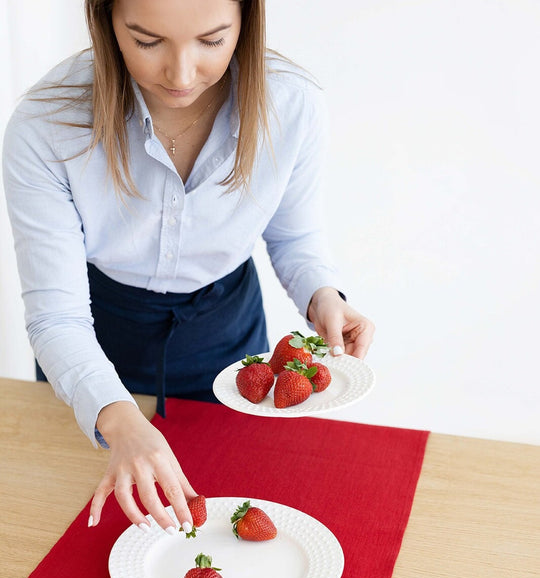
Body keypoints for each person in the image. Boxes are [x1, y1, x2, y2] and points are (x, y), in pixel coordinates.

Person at [3, 0, 374, 536]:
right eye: (147, 41)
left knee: (223, 518)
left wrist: (324, 297)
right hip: (92, 338)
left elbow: (293, 235)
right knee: (81, 529)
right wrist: (118, 416)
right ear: (104, 19)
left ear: (247, 20)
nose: (180, 73)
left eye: (212, 40)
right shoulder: (46, 124)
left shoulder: (292, 104)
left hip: (225, 329)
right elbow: (57, 318)